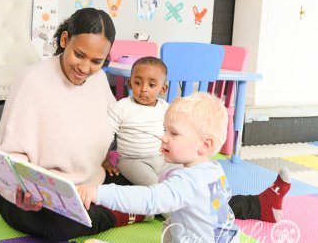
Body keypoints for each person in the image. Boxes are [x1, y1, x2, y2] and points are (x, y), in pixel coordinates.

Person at [0, 8, 291, 241]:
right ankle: (130, 214)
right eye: (79, 55)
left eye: (97, 61)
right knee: (59, 224)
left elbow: (104, 128)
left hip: (92, 183)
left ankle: (258, 205)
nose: (85, 68)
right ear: (64, 41)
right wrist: (23, 190)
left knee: (176, 188)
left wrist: (106, 158)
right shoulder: (31, 82)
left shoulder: (97, 80)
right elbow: (11, 157)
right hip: (41, 194)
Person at [78, 93, 290, 242]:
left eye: (174, 133)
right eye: (165, 130)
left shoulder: (186, 182)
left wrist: (99, 192)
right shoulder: (214, 169)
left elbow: (149, 200)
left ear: (204, 145)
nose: (163, 137)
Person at [103, 56, 174, 186]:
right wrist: (104, 159)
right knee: (153, 185)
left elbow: (174, 132)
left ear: (162, 89)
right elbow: (105, 135)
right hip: (132, 161)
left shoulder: (166, 108)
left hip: (161, 158)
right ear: (129, 83)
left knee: (185, 173)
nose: (143, 89)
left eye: (152, 85)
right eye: (137, 83)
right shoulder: (121, 107)